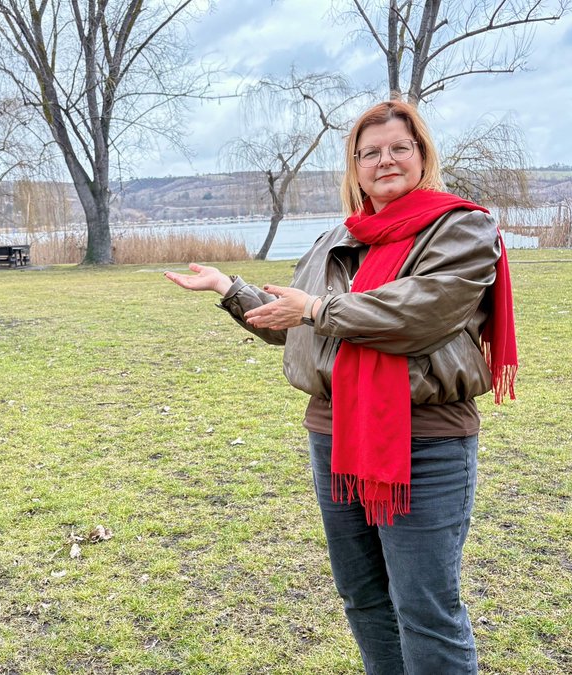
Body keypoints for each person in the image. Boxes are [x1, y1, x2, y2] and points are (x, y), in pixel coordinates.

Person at [165, 99, 518, 674]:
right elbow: (297, 321)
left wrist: (316, 310)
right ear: (354, 166)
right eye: (369, 152)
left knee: (426, 607)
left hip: (423, 440)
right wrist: (231, 288)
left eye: (399, 148)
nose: (385, 160)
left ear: (422, 155)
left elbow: (416, 313)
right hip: (336, 436)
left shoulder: (463, 228)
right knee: (364, 596)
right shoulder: (341, 235)